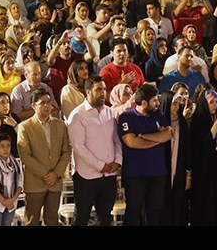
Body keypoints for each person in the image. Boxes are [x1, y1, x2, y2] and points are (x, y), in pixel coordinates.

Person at [67, 75, 122, 226]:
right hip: (86, 176)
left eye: (104, 89)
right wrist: (100, 165)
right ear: (88, 91)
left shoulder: (110, 112)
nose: (103, 93)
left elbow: (117, 140)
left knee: (105, 217)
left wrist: (117, 161)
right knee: (82, 217)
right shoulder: (77, 115)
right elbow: (79, 147)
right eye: (98, 89)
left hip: (109, 174)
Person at [118, 82, 171, 226]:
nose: (157, 103)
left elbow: (168, 135)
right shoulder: (126, 117)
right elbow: (132, 142)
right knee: (133, 212)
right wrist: (157, 139)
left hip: (157, 173)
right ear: (144, 102)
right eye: (154, 100)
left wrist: (143, 136)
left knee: (155, 212)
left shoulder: (157, 115)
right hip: (135, 174)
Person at [16, 88, 71, 226]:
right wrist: (47, 174)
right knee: (32, 221)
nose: (47, 106)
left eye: (49, 102)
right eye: (43, 103)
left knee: (52, 220)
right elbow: (25, 156)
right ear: (34, 106)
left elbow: (66, 152)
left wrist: (56, 173)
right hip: (35, 182)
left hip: (55, 182)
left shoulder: (60, 125)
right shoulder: (25, 127)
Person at [189, 89, 217, 225]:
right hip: (202, 171)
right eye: (211, 102)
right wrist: (216, 125)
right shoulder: (198, 119)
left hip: (215, 168)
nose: (215, 105)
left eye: (216, 102)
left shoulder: (214, 117)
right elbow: (203, 145)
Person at [157, 89, 191, 226]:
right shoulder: (157, 123)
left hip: (179, 168)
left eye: (178, 104)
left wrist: (188, 175)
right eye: (173, 104)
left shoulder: (182, 123)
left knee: (178, 204)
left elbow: (188, 150)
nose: (177, 107)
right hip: (161, 173)